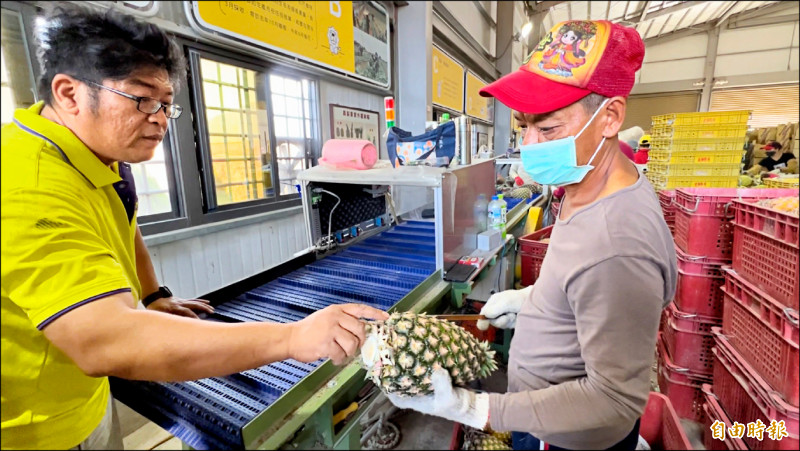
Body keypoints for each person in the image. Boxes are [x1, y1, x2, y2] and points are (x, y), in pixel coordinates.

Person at [0, 5, 387, 450]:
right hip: (29, 428)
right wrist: (294, 336)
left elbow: (122, 222)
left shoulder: (95, 156)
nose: (160, 119)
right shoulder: (25, 184)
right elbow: (103, 341)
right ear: (69, 93)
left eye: (167, 105)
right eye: (142, 99)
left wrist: (152, 296)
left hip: (82, 401)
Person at [386, 19, 676, 451]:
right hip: (544, 418)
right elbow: (586, 279)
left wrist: (478, 410)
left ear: (610, 118)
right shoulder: (590, 183)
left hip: (567, 438)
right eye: (524, 126)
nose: (530, 144)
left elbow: (614, 397)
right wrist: (538, 301)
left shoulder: (618, 244)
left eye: (549, 129)